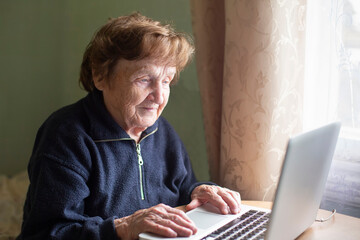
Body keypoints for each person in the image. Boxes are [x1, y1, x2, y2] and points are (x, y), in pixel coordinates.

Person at [18, 13, 241, 240]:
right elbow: (48, 233)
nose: (159, 97)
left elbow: (180, 189)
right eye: (144, 79)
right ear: (100, 76)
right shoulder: (66, 136)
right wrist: (124, 227)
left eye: (166, 81)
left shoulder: (161, 131)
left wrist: (198, 191)